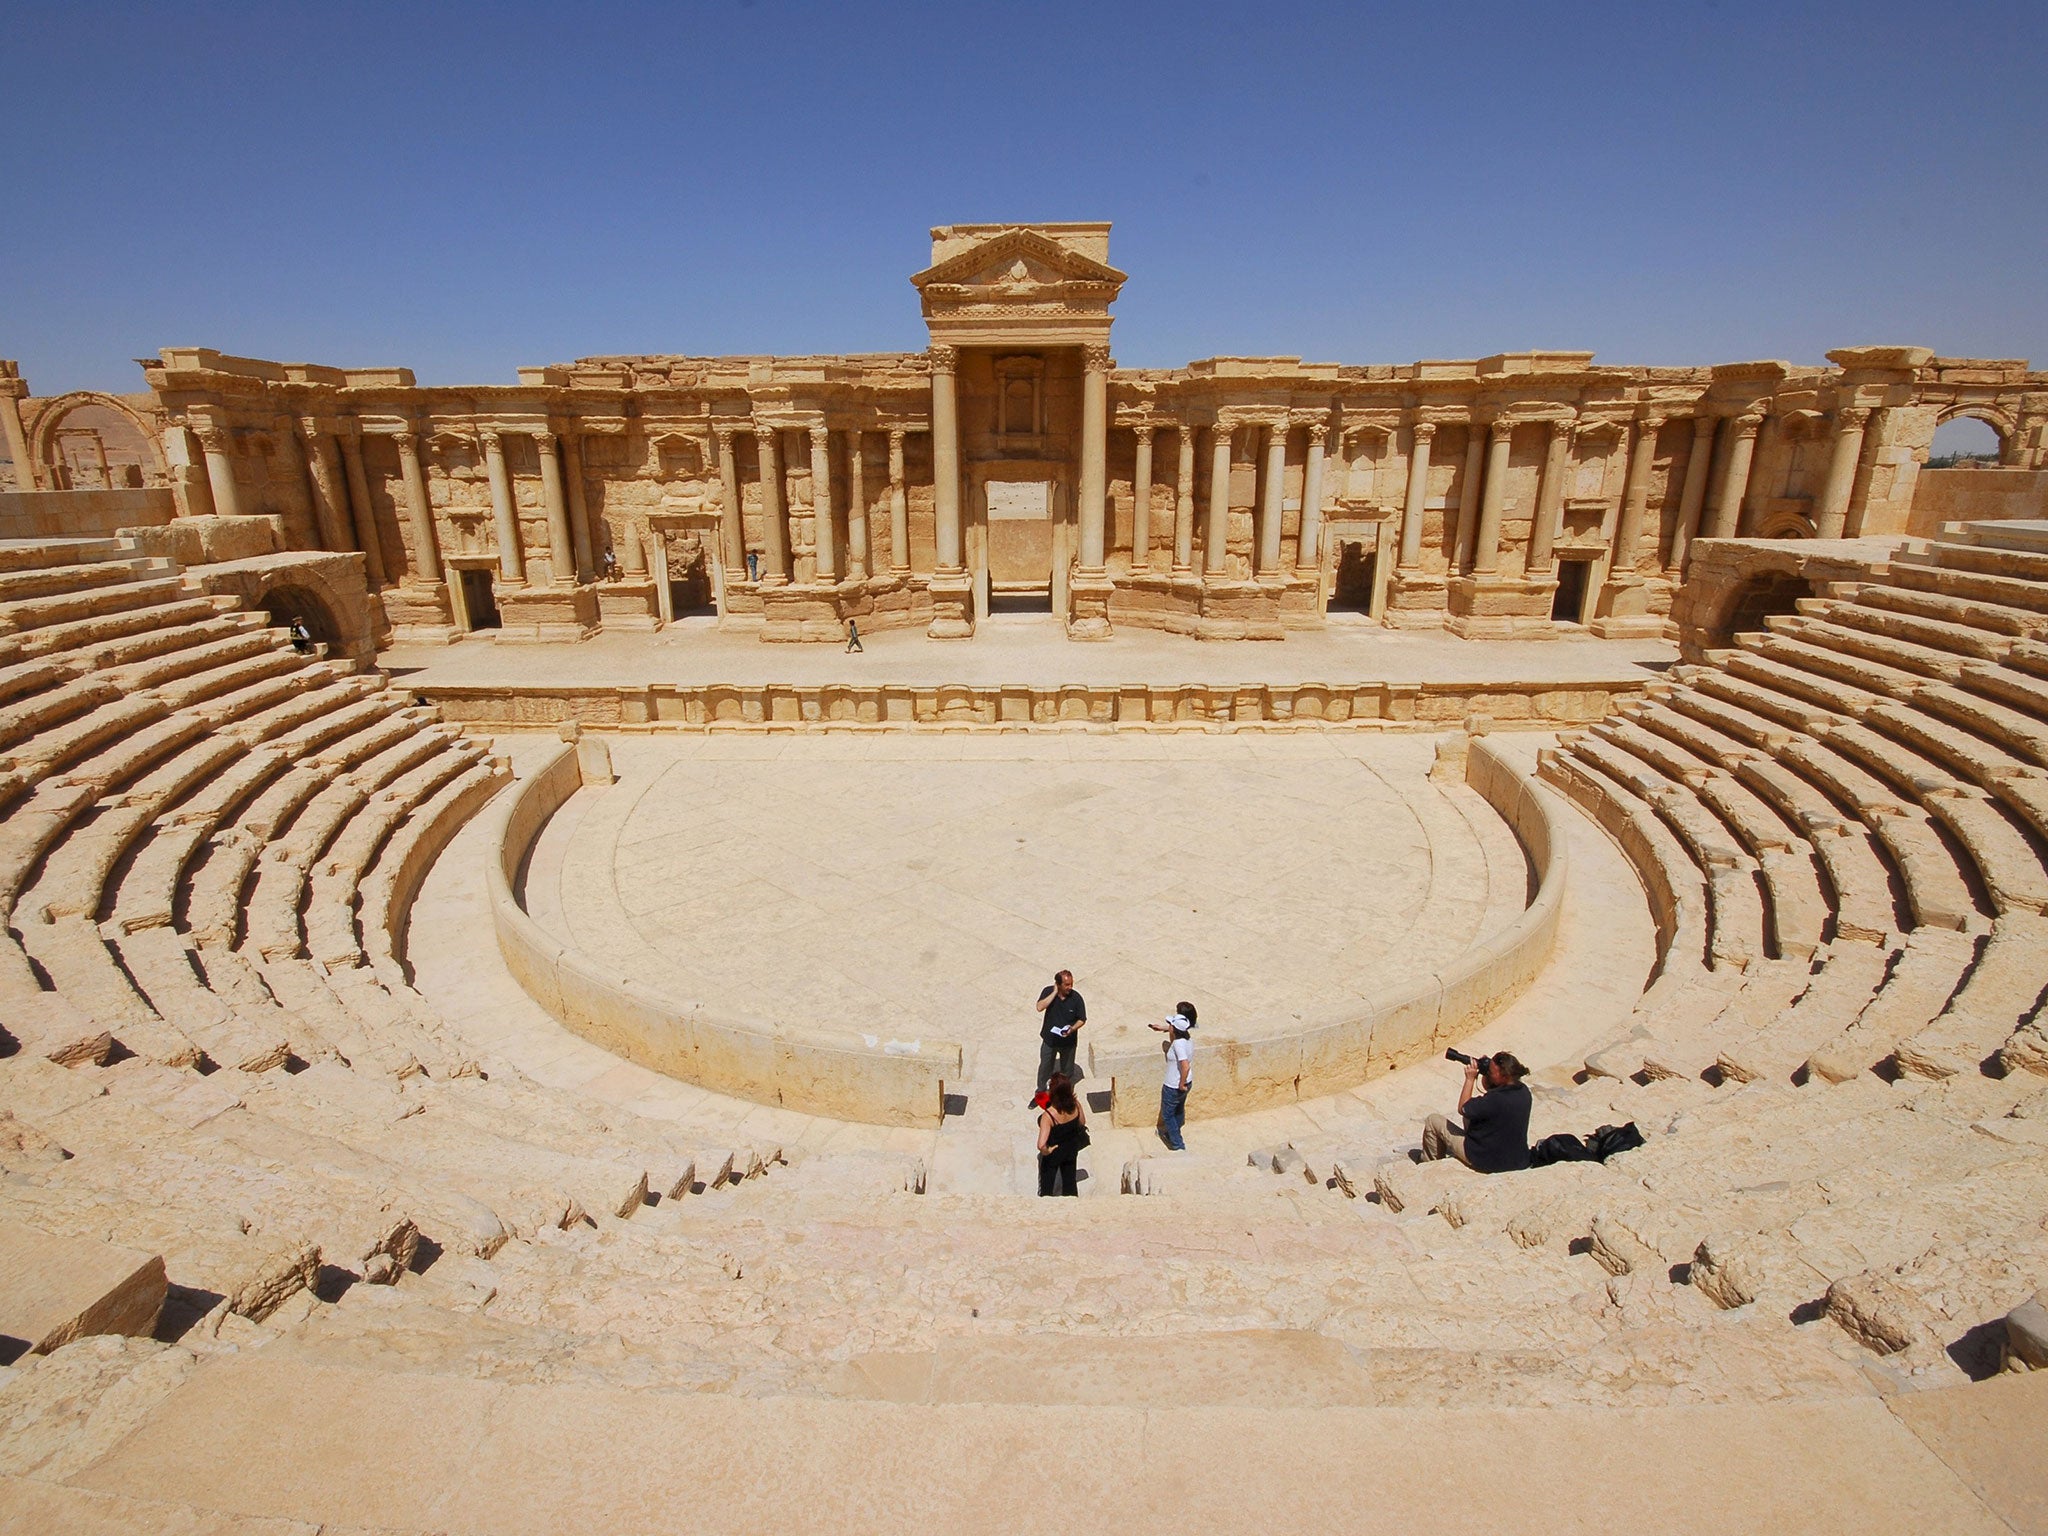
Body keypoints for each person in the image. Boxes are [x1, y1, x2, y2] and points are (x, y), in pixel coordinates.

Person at [1422, 1052, 1533, 1173]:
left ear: (1504, 1077)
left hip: (1486, 1160)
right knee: (1470, 1117)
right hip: (1517, 1159)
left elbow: (1463, 1108)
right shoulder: (1524, 1091)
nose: (1488, 1074)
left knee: (1433, 1121)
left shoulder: (1495, 1100)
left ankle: (1429, 1166)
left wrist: (1470, 1079)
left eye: (1491, 1073)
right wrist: (1487, 1071)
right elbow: (1491, 1099)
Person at [1148, 1003, 1197, 1151]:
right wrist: (1161, 1028)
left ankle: (1177, 1143)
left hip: (1174, 1085)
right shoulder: (1188, 1040)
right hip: (1188, 1082)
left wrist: (1180, 1083)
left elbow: (1185, 1065)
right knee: (1179, 1110)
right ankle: (1175, 1132)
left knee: (1168, 1115)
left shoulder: (1178, 1045)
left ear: (1174, 1030)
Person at [1036, 1072, 1088, 1196]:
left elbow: (1041, 1144)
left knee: (1047, 1185)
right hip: (1071, 1148)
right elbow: (1082, 1122)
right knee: (1070, 1183)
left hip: (1054, 1152)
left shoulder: (1048, 1116)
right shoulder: (1075, 1104)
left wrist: (1047, 1151)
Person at [1035, 970, 1086, 1092]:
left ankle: (1064, 1095)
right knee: (1045, 1068)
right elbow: (1039, 1007)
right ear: (1058, 984)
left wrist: (1072, 1029)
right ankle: (1041, 1092)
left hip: (1068, 1043)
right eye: (1066, 985)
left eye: (1071, 984)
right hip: (1050, 1040)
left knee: (1067, 1072)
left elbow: (1082, 1019)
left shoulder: (1076, 998)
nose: (1070, 987)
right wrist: (1054, 993)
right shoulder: (1048, 992)